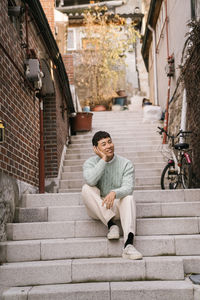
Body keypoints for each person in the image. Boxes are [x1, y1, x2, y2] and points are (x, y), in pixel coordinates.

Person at [82, 131, 142, 260]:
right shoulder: (90, 163)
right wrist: (103, 159)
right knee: (86, 188)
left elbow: (129, 187)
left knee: (129, 197)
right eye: (103, 144)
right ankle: (111, 224)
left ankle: (128, 245)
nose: (108, 146)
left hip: (116, 206)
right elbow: (91, 180)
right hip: (98, 207)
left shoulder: (126, 163)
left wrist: (114, 193)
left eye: (110, 142)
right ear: (96, 149)